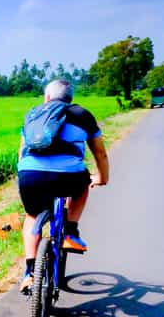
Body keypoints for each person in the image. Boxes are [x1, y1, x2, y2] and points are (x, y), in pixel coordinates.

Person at [17, 79, 110, 292]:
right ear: (70, 98)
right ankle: (69, 232)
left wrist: (23, 175)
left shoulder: (33, 114)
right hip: (69, 177)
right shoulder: (82, 114)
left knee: (32, 216)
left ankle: (30, 273)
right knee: (84, 184)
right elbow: (100, 153)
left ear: (47, 97)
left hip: (30, 174)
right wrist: (102, 178)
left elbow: (22, 151)